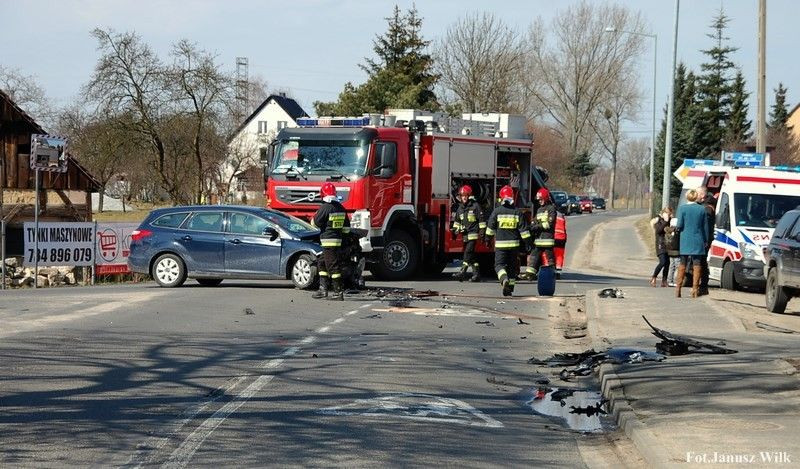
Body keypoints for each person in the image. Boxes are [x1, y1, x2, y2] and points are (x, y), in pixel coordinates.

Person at [485, 185, 531, 296]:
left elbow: (490, 228)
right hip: (514, 246)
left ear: (501, 198)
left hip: (501, 245)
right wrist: (528, 243)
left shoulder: (496, 212)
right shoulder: (517, 212)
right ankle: (510, 288)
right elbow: (524, 231)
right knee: (512, 268)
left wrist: (487, 239)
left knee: (499, 266)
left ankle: (504, 280)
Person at [312, 182, 350, 301]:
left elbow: (316, 223)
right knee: (322, 262)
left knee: (332, 266)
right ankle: (323, 289)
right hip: (337, 241)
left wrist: (313, 217)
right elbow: (346, 229)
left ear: (322, 194)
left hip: (327, 241)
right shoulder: (341, 207)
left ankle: (338, 292)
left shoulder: (325, 207)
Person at [675, 189, 709, 298]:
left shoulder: (682, 208)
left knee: (682, 264)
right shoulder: (701, 209)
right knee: (697, 264)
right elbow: (705, 227)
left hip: (685, 239)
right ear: (696, 197)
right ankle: (695, 289)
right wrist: (705, 240)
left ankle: (678, 289)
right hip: (698, 239)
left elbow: (679, 224)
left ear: (687, 197)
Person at [451, 185, 485, 282]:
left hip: (473, 235)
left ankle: (462, 272)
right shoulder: (460, 208)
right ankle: (477, 275)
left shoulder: (475, 206)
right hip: (465, 236)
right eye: (462, 196)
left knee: (467, 253)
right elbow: (457, 222)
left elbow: (481, 221)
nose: (464, 198)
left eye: (465, 195)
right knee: (472, 257)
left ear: (469, 196)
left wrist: (482, 234)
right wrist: (455, 231)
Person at [523, 188, 556, 280]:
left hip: (547, 239)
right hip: (538, 239)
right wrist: (532, 226)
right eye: (539, 200)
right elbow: (534, 221)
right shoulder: (539, 210)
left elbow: (549, 224)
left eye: (541, 199)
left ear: (545, 198)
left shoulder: (551, 209)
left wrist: (537, 226)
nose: (540, 201)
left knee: (550, 258)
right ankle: (530, 274)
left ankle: (553, 274)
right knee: (534, 256)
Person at [695, 187, 717, 295]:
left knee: (701, 261)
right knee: (700, 261)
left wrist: (705, 239)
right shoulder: (705, 206)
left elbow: (706, 225)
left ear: (702, 196)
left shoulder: (707, 208)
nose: (695, 196)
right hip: (704, 238)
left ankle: (703, 285)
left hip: (705, 238)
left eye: (697, 194)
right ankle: (701, 284)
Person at [650, 207, 673, 287]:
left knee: (667, 263)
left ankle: (664, 280)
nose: (668, 215)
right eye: (667, 213)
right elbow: (658, 231)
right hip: (660, 244)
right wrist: (665, 221)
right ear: (663, 213)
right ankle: (654, 276)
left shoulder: (670, 220)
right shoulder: (658, 220)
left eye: (669, 214)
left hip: (668, 244)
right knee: (662, 262)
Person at [665, 215, 680, 287]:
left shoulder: (667, 232)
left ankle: (669, 280)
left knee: (671, 266)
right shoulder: (677, 232)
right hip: (677, 251)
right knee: (677, 267)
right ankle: (675, 281)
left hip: (670, 251)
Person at [554, 212, 567, 279]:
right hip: (561, 237)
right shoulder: (561, 215)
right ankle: (558, 272)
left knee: (548, 254)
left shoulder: (547, 213)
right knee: (559, 255)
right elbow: (564, 228)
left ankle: (548, 270)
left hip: (553, 237)